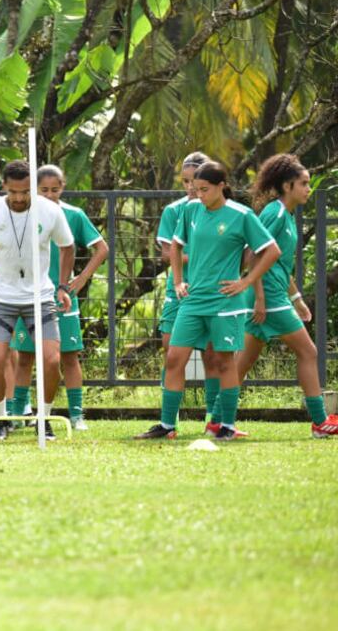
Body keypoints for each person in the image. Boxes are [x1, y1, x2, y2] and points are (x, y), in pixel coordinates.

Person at [137, 161, 280, 441]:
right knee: (175, 358)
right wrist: (178, 281)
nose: (197, 194)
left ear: (221, 186)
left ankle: (226, 425)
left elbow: (271, 251)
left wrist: (247, 282)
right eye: (194, 188)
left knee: (224, 362)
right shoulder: (190, 209)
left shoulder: (242, 215)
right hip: (192, 301)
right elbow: (175, 245)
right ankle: (167, 426)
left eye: (204, 189)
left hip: (226, 302)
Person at [0, 160, 74, 442]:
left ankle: (44, 419)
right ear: (4, 188)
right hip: (1, 297)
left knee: (51, 360)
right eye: (13, 192)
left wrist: (63, 286)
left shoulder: (50, 211)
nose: (20, 198)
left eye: (25, 192)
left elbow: (68, 246)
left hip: (41, 297)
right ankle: (0, 419)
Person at [236, 154, 338, 438]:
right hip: (266, 295)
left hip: (273, 294)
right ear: (287, 185)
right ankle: (320, 422)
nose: (309, 188)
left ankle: (219, 421)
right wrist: (259, 298)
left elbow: (280, 265)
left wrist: (297, 299)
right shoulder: (275, 212)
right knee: (308, 352)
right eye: (303, 184)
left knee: (243, 363)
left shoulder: (287, 215)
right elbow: (254, 255)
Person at [8, 165, 109, 430]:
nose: (50, 195)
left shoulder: (74, 215)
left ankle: (76, 415)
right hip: (27, 296)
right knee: (25, 357)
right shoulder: (22, 215)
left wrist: (82, 277)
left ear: (63, 187)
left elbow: (101, 248)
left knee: (68, 356)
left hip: (62, 297)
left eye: (56, 189)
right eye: (44, 190)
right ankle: (19, 414)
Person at [156, 153, 229, 432]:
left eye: (195, 181)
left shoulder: (226, 212)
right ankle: (169, 419)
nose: (189, 187)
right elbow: (167, 251)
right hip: (180, 291)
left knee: (212, 354)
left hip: (211, 293)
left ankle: (213, 417)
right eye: (185, 181)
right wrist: (197, 258)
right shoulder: (175, 211)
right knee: (171, 349)